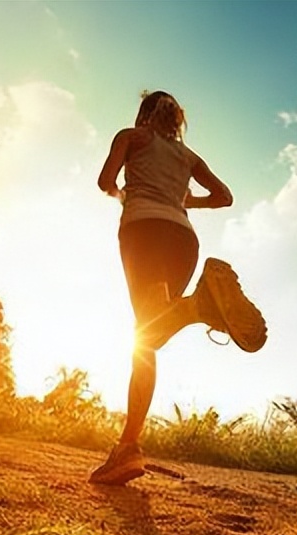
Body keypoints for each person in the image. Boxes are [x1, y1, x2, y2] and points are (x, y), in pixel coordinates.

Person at [89, 90, 266, 486]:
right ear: (176, 119)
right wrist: (185, 202)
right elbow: (224, 197)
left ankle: (197, 308)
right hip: (183, 239)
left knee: (146, 337)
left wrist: (124, 196)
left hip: (144, 230)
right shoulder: (188, 157)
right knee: (150, 338)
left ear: (143, 113)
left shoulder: (131, 137)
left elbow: (105, 181)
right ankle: (128, 448)